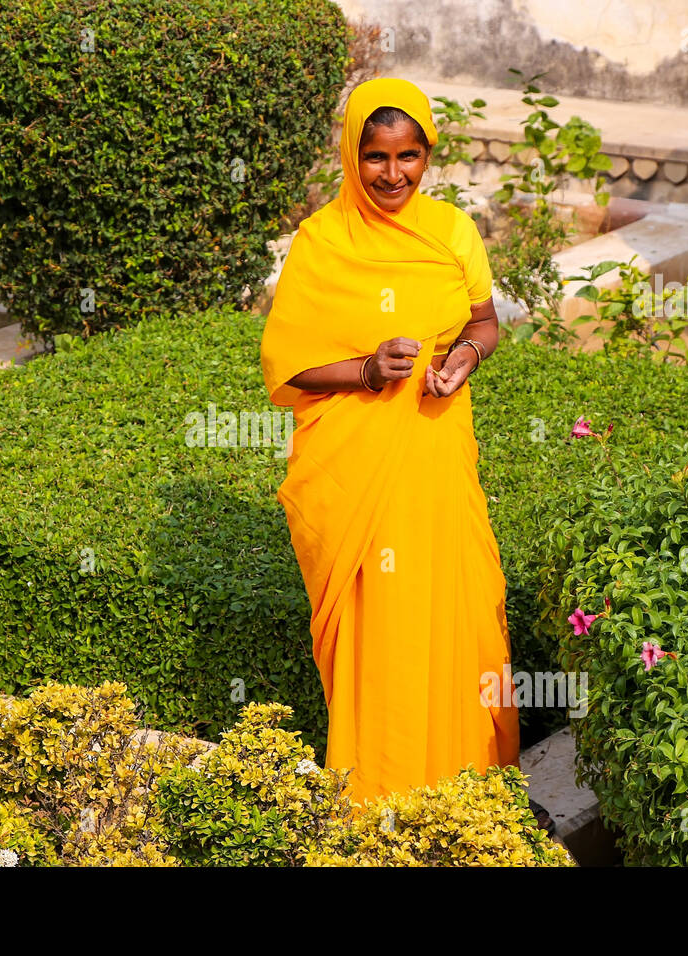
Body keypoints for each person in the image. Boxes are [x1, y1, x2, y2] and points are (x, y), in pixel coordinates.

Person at [259, 77, 523, 811]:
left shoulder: (453, 233)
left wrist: (463, 359)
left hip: (436, 461)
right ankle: (379, 794)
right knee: (383, 629)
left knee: (457, 611)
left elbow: (485, 321)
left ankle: (465, 793)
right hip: (358, 476)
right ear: (353, 154)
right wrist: (367, 369)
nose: (393, 174)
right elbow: (288, 363)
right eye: (376, 156)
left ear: (427, 153)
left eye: (410, 155)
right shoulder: (324, 241)